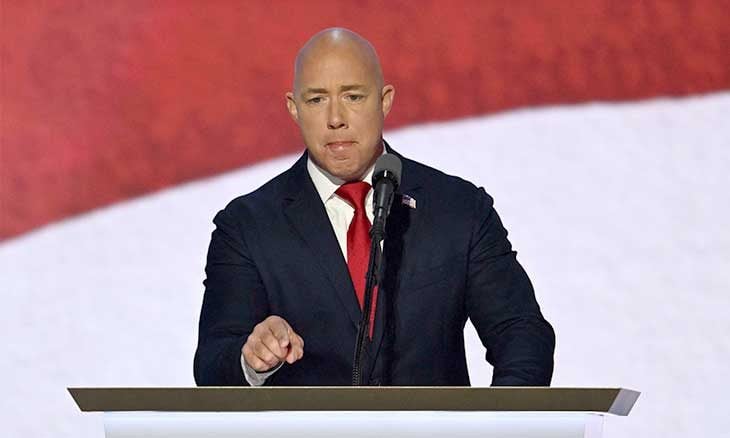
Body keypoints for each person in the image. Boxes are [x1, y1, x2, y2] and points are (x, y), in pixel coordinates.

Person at [193, 28, 555, 386]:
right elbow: (211, 366)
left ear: (384, 101)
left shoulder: (458, 209)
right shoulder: (247, 226)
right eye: (316, 100)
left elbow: (522, 335)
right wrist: (251, 359)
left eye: (353, 96)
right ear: (294, 108)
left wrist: (499, 417)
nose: (335, 118)